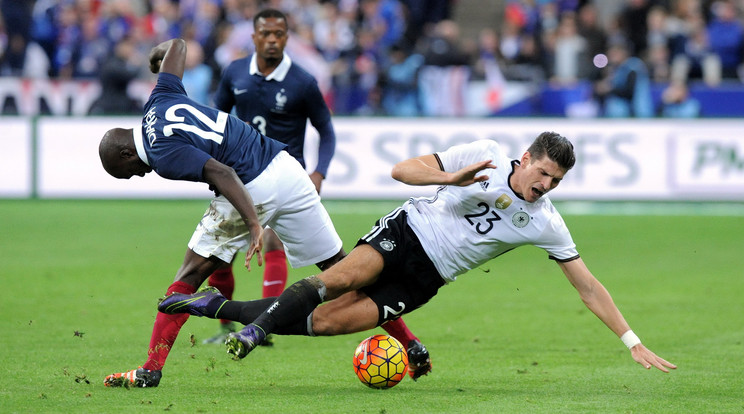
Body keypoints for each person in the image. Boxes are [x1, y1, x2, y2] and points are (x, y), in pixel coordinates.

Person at [159, 132, 678, 376]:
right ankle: (254, 331)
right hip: (408, 233)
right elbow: (402, 170)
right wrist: (450, 176)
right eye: (541, 173)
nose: (545, 185)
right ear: (524, 160)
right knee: (337, 279)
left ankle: (215, 307)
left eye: (556, 181)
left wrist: (631, 340)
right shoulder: (487, 155)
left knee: (330, 324)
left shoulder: (545, 222)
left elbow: (587, 284)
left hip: (427, 279)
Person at [99, 37, 429, 388]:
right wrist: (157, 54)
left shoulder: (161, 153)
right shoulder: (158, 98)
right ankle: (411, 343)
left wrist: (254, 224)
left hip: (251, 185)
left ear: (125, 155)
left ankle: (151, 369)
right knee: (343, 271)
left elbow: (221, 173)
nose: (134, 176)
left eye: (126, 172)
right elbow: (179, 46)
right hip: (287, 170)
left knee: (185, 280)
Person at [201, 8, 333, 346]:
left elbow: (326, 130)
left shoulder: (302, 81)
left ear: (287, 38)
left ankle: (264, 327)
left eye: (279, 34)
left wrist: (319, 172)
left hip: (285, 176)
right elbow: (218, 121)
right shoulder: (234, 73)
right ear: (254, 37)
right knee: (221, 250)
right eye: (266, 34)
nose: (272, 40)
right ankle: (226, 327)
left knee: (274, 241)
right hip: (240, 172)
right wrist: (214, 167)